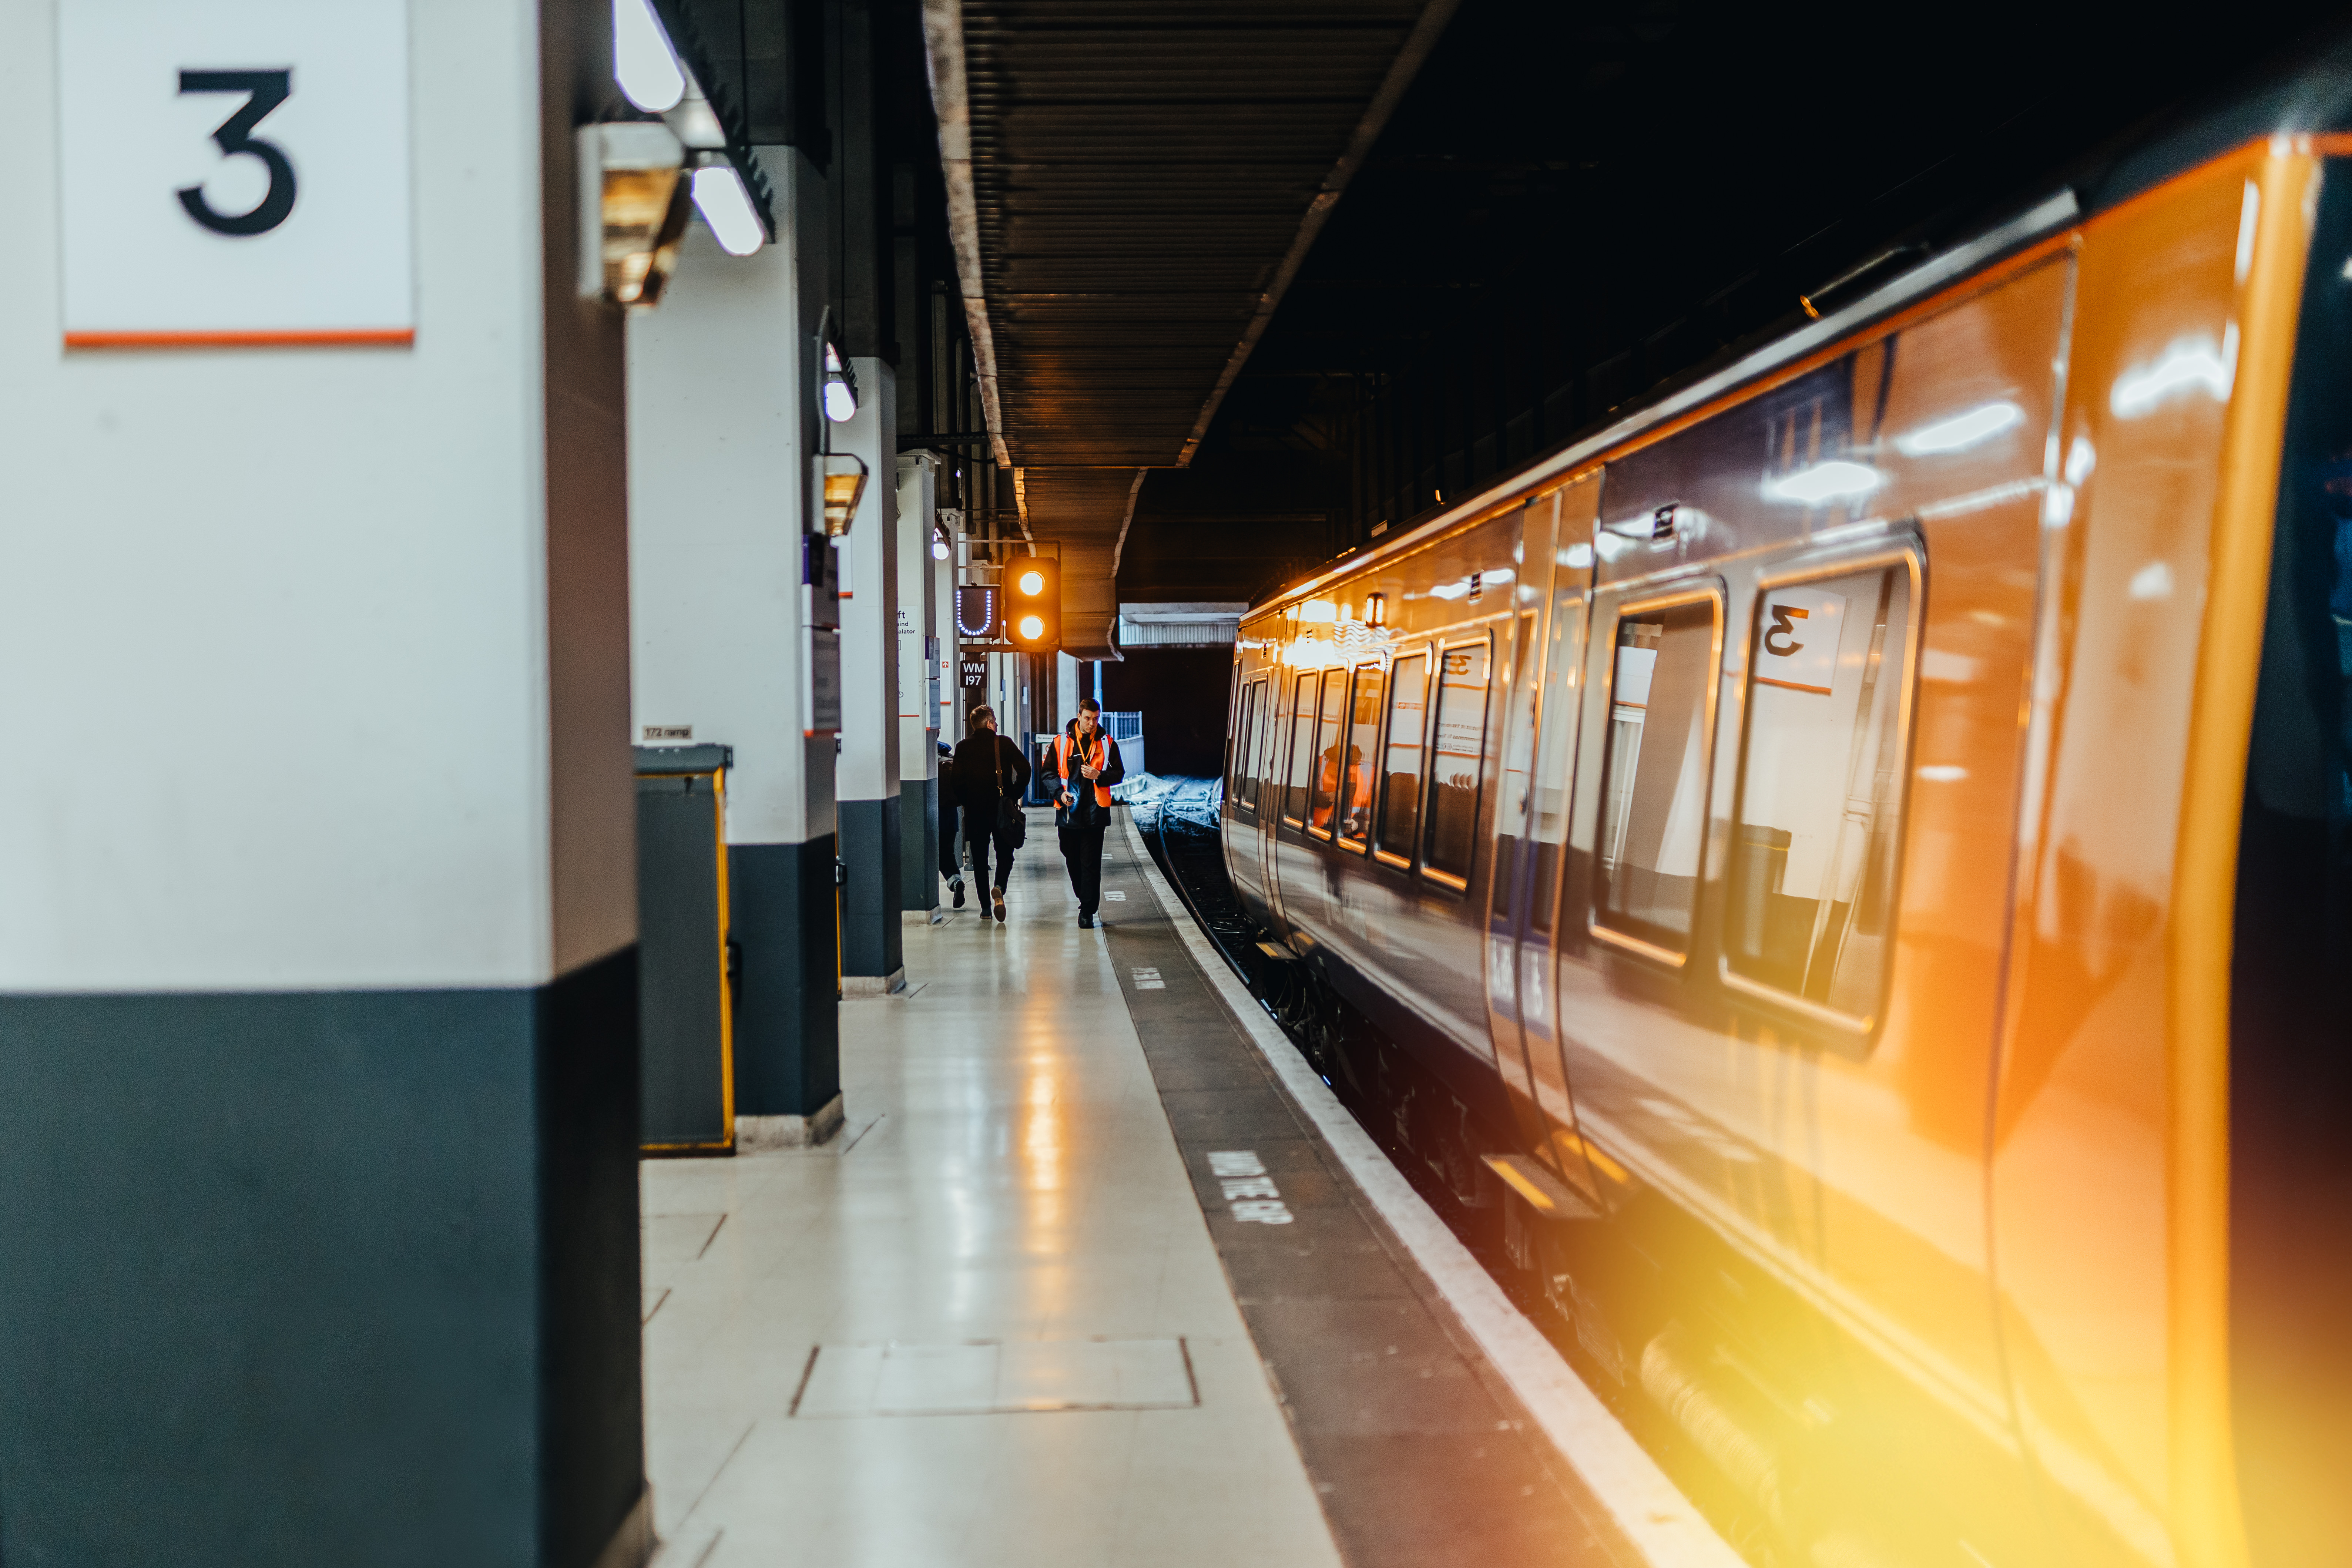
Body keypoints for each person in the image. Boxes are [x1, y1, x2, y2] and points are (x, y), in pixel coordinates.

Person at [949, 706, 1029, 923]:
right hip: (1002, 809)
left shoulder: (963, 747)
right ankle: (999, 887)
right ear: (990, 723)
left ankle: (985, 908)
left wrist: (968, 801)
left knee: (981, 859)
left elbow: (956, 781)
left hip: (975, 812)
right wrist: (1014, 794)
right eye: (994, 720)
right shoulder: (1003, 743)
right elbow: (1025, 769)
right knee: (1005, 854)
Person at [1053, 697, 1126, 928]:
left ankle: (1087, 911)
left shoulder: (1108, 744)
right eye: (1088, 718)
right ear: (1079, 716)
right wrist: (1059, 794)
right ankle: (1083, 897)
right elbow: (1048, 773)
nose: (1092, 723)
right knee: (1071, 857)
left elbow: (1119, 774)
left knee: (1091, 864)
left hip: (1095, 814)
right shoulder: (1061, 742)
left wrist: (1099, 776)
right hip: (1068, 812)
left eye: (1096, 719)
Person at [936, 738, 967, 908]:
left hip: (934, 820)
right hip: (951, 819)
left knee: (939, 859)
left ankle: (955, 883)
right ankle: (957, 881)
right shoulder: (948, 756)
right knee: (948, 856)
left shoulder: (928, 758)